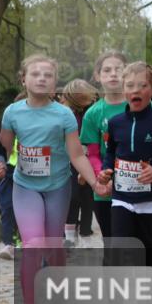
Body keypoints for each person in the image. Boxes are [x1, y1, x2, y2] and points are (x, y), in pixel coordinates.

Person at [0, 54, 102, 304]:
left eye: (48, 75)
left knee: (54, 247)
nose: (42, 78)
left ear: (56, 83)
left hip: (57, 187)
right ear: (24, 79)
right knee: (33, 245)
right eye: (36, 74)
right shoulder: (13, 112)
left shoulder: (63, 114)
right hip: (26, 187)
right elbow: (3, 150)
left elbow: (76, 154)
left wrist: (94, 183)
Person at [98, 62, 152, 269]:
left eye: (142, 85)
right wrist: (106, 170)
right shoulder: (116, 122)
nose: (135, 90)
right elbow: (110, 152)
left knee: (146, 254)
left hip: (151, 200)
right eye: (130, 85)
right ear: (124, 90)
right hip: (122, 198)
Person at [81, 51, 129, 244]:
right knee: (111, 243)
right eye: (107, 70)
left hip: (136, 185)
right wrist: (101, 178)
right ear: (97, 76)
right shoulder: (93, 114)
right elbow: (92, 154)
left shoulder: (141, 103)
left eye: (119, 69)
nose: (113, 74)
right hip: (105, 189)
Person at [60, 79, 98, 249]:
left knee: (89, 199)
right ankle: (69, 236)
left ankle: (86, 234)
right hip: (67, 162)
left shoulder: (92, 112)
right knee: (72, 197)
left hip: (90, 160)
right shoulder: (63, 113)